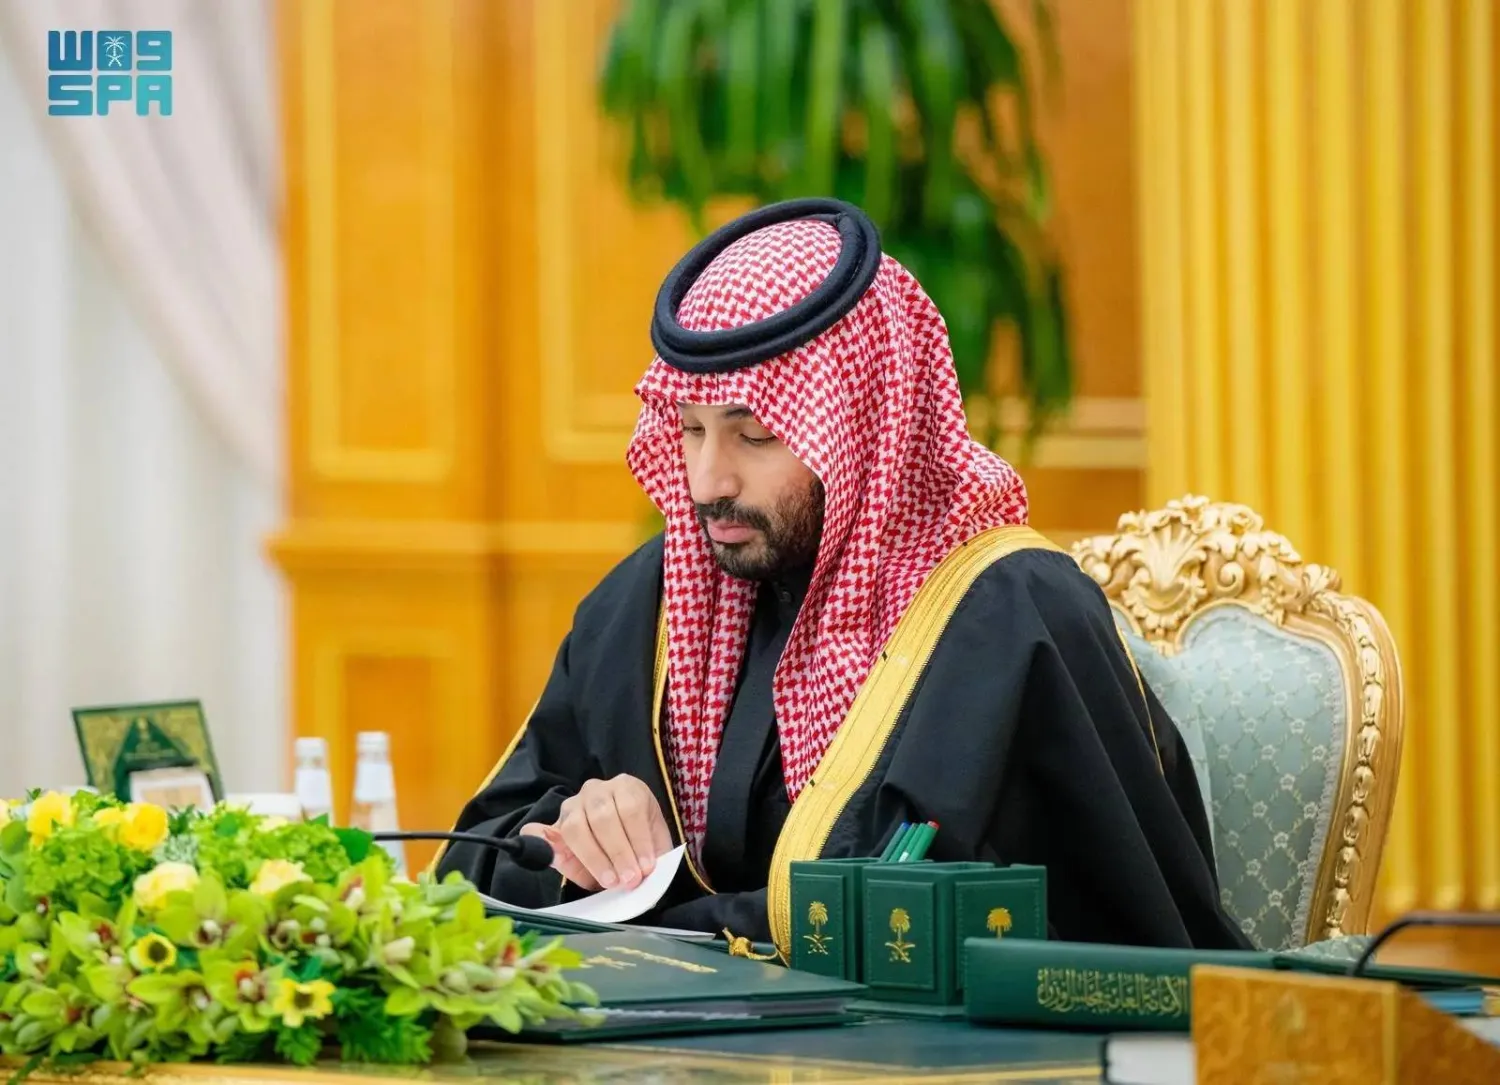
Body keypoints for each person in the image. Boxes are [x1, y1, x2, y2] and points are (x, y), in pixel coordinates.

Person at [436, 198, 1252, 958]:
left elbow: (904, 923)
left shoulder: (1006, 619)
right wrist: (571, 839)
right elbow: (465, 873)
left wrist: (652, 919)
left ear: (857, 431)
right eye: (689, 430)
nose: (707, 480)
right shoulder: (647, 606)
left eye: (754, 435)